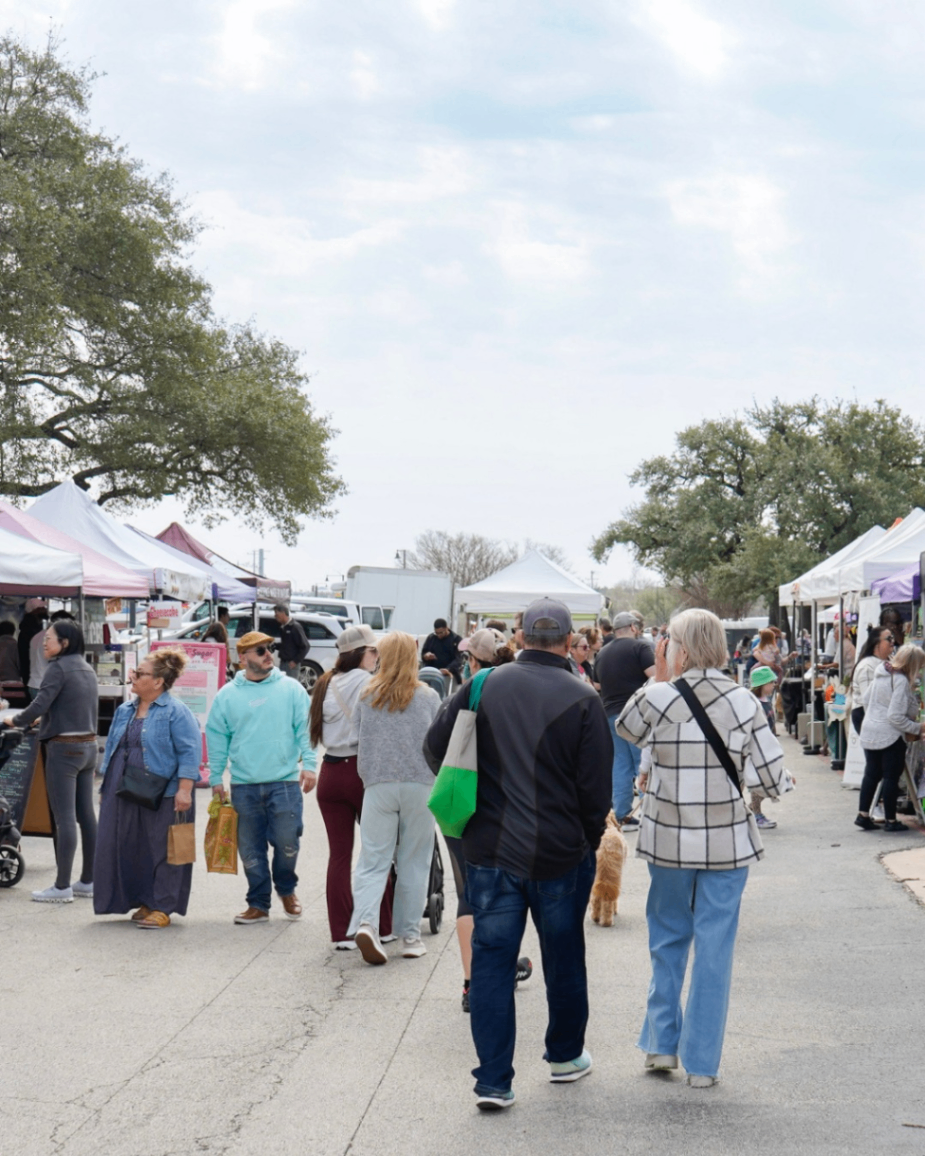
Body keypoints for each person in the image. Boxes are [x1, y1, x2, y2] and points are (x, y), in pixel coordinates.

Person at [424, 597, 613, 1111]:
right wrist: (587, 841)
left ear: (522, 636)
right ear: (570, 640)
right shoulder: (583, 697)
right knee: (564, 955)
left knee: (491, 961)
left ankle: (493, 1080)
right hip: (559, 853)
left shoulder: (483, 684)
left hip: (490, 848)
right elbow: (597, 792)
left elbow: (435, 748)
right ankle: (563, 1056)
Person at [616, 608, 791, 1088]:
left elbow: (625, 731)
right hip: (728, 843)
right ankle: (703, 1064)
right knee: (716, 948)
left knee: (668, 938)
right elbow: (775, 778)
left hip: (668, 840)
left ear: (679, 647)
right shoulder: (744, 700)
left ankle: (660, 1044)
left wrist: (663, 674)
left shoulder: (657, 697)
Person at [205, 630, 316, 924]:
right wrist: (216, 777)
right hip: (244, 785)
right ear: (243, 658)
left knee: (288, 842)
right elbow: (217, 737)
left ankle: (287, 889)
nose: (270, 655)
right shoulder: (227, 696)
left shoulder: (291, 689)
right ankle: (258, 903)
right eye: (261, 651)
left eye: (270, 648)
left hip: (285, 782)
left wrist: (310, 764)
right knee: (250, 849)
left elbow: (305, 730)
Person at [444, 628, 528, 1013]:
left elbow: (433, 745)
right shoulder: (524, 689)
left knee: (468, 892)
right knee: (509, 892)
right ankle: (503, 968)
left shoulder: (471, 689)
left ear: (475, 662)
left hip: (465, 801)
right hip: (516, 808)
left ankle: (471, 982)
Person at [348, 632, 441, 964]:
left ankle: (367, 923)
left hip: (378, 783)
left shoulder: (367, 695)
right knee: (414, 861)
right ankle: (411, 937)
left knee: (373, 860)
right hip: (420, 784)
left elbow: (356, 735)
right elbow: (437, 740)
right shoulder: (428, 697)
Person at [94, 648, 202, 928]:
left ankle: (164, 905)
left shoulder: (177, 712)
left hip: (165, 791)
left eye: (139, 673)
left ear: (157, 682)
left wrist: (185, 790)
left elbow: (190, 753)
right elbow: (113, 749)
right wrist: (106, 785)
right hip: (125, 788)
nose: (133, 676)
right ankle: (145, 900)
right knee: (134, 845)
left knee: (167, 847)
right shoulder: (124, 710)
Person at [309, 624, 395, 950]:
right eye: (375, 651)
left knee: (339, 857)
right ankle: (383, 927)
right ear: (363, 653)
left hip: (330, 772)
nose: (377, 657)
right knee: (378, 852)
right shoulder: (370, 682)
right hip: (360, 772)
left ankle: (341, 933)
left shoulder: (324, 682)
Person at [5, 621, 99, 903]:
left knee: (65, 818)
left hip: (64, 750)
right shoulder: (86, 667)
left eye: (49, 638)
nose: (44, 643)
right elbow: (68, 705)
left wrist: (16, 719)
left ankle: (61, 887)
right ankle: (88, 881)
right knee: (86, 816)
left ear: (65, 642)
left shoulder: (58, 668)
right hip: (88, 747)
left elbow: (40, 704)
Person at [594, 610, 655, 831]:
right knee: (644, 761)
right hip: (637, 713)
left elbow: (597, 684)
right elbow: (656, 676)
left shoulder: (602, 652)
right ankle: (650, 814)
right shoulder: (640, 647)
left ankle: (622, 815)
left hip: (610, 712)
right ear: (632, 628)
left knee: (619, 764)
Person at [855, 644, 925, 834]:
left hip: (870, 730)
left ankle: (863, 815)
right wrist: (918, 728)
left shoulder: (881, 673)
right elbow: (895, 717)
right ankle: (891, 820)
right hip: (890, 735)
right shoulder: (900, 680)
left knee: (871, 774)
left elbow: (866, 699)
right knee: (890, 777)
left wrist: (876, 714)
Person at [849, 625, 895, 735]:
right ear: (876, 643)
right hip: (869, 717)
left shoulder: (887, 662)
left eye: (892, 638)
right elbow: (869, 701)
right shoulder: (867, 666)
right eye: (889, 639)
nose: (892, 641)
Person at [17, 599, 47, 694]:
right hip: (35, 677)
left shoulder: (29, 628)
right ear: (34, 611)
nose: (45, 609)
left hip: (31, 677)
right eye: (41, 608)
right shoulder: (32, 631)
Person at [421, 618, 463, 682]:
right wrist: (426, 656)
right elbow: (423, 653)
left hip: (449, 675)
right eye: (436, 633)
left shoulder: (456, 639)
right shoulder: (431, 638)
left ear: (446, 628)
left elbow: (459, 659)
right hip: (432, 674)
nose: (439, 635)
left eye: (441, 633)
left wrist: (448, 669)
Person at [273, 603, 309, 679]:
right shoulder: (284, 627)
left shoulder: (295, 627)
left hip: (290, 664)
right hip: (283, 662)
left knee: (290, 686)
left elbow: (305, 646)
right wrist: (275, 645)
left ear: (283, 613)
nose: (275, 616)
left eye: (276, 613)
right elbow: (288, 645)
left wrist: (295, 661)